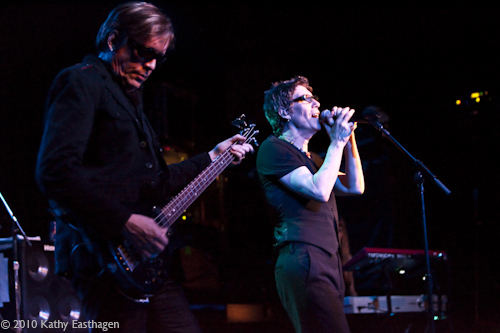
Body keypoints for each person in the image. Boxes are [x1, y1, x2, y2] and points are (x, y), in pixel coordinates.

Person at [35, 2, 253, 332]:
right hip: (102, 260)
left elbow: (157, 183)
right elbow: (55, 171)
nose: (150, 65)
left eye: (158, 58)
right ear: (112, 41)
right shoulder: (81, 83)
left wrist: (211, 156)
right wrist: (125, 222)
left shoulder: (132, 99)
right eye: (142, 52)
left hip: (149, 266)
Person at [256, 76, 364, 333]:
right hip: (303, 258)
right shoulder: (273, 149)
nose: (317, 103)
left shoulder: (314, 158)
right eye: (306, 98)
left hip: (329, 261)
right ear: (284, 111)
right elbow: (319, 190)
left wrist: (348, 139)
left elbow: (355, 186)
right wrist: (336, 141)